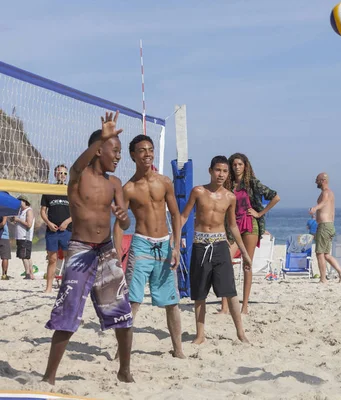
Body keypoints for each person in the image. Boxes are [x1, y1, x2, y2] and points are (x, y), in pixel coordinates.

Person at [43, 111, 134, 385]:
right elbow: (75, 168)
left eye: (119, 152)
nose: (118, 156)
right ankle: (49, 377)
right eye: (114, 150)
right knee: (67, 314)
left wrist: (122, 217)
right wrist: (101, 138)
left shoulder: (115, 183)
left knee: (122, 313)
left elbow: (126, 222)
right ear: (98, 150)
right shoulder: (78, 177)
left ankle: (124, 371)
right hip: (81, 249)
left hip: (106, 250)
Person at [113, 134, 185, 359]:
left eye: (150, 149)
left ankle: (178, 349)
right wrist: (116, 255)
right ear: (133, 155)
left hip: (164, 245)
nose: (147, 154)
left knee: (171, 303)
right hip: (141, 245)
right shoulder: (129, 188)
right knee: (133, 301)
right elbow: (119, 225)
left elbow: (175, 214)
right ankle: (121, 351)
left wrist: (175, 245)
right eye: (142, 150)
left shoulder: (164, 182)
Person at [180, 155, 252, 344]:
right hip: (200, 245)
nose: (221, 174)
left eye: (225, 171)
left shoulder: (230, 197)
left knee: (230, 291)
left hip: (220, 244)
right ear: (210, 171)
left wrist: (244, 252)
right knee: (200, 293)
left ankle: (240, 333)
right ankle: (200, 335)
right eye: (218, 170)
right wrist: (174, 239)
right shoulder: (198, 191)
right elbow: (184, 215)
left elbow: (233, 225)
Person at [221, 153, 280, 314]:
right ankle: (224, 306)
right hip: (233, 225)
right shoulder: (228, 184)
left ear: (245, 166)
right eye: (234, 165)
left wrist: (260, 214)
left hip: (249, 224)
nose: (237, 167)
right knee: (225, 263)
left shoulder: (252, 183)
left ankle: (244, 305)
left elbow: (275, 197)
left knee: (247, 265)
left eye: (240, 164)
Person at [309, 172, 341, 283]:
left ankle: (323, 279)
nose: (315, 182)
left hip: (324, 226)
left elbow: (324, 203)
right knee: (326, 254)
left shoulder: (326, 192)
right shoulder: (330, 193)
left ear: (323, 180)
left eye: (317, 179)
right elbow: (329, 208)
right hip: (329, 225)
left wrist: (315, 208)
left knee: (319, 253)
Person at [41, 164, 72, 293]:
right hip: (52, 230)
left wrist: (67, 221)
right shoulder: (49, 190)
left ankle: (67, 286)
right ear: (55, 174)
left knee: (68, 259)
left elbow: (77, 211)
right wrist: (48, 223)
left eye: (65, 173)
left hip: (67, 230)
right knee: (52, 259)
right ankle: (48, 288)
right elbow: (43, 211)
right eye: (60, 173)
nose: (62, 175)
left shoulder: (71, 190)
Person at [11, 195, 34, 279]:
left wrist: (18, 220)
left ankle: (28, 274)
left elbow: (29, 224)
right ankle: (31, 274)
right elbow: (19, 223)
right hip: (20, 237)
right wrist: (14, 220)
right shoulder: (21, 211)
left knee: (24, 256)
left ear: (24, 201)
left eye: (19, 201)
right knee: (27, 256)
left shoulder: (29, 211)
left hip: (25, 237)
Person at [0, 215, 11, 280]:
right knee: (5, 257)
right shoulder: (4, 212)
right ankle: (4, 274)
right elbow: (3, 223)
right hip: (4, 237)